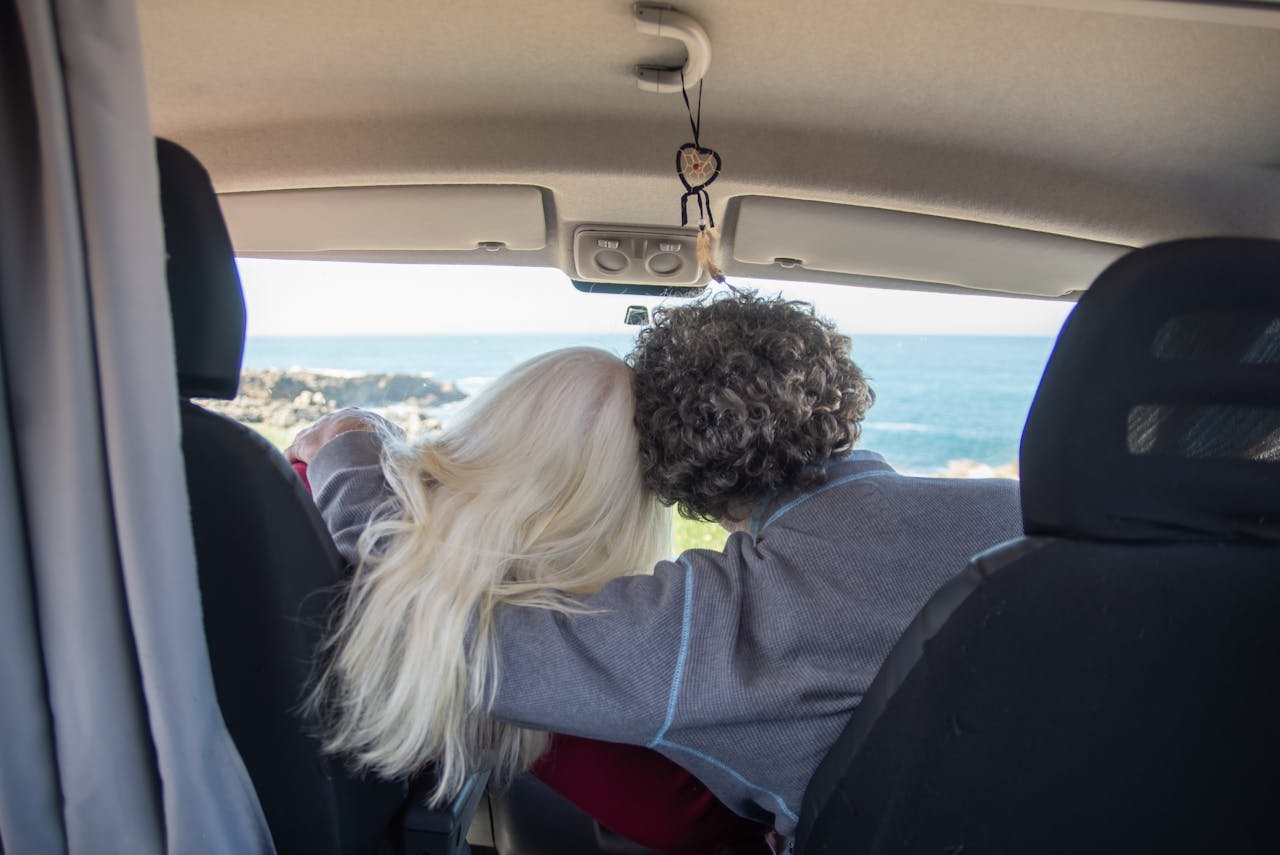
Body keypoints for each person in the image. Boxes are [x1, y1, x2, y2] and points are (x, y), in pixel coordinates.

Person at [290, 292, 1023, 843]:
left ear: (670, 476)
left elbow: (431, 624)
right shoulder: (1028, 515)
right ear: (839, 392)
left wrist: (353, 445)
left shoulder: (706, 624)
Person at [298, 346, 770, 854]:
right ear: (627, 505)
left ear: (490, 419)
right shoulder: (560, 646)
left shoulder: (314, 486)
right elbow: (685, 821)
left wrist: (355, 440)